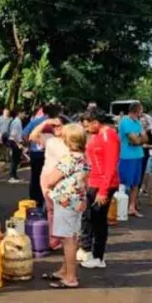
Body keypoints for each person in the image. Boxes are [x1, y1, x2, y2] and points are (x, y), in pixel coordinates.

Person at [43, 123, 89, 288]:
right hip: (77, 200)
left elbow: (51, 179)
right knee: (71, 236)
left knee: (68, 239)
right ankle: (65, 270)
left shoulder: (69, 159)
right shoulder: (83, 157)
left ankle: (70, 277)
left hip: (65, 200)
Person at [77, 111, 120, 269]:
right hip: (94, 183)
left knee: (99, 221)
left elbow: (110, 166)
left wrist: (103, 190)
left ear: (96, 122)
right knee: (90, 218)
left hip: (104, 184)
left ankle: (98, 257)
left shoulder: (109, 136)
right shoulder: (98, 135)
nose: (86, 129)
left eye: (87, 125)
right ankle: (91, 253)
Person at [31, 113, 67, 250]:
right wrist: (45, 124)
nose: (56, 128)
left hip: (63, 177)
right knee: (50, 209)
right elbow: (32, 136)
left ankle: (66, 237)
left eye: (59, 125)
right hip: (46, 176)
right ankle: (53, 238)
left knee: (63, 209)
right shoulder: (50, 139)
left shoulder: (71, 140)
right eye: (54, 126)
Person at [117, 102, 146, 218]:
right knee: (123, 182)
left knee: (135, 184)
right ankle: (119, 208)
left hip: (138, 155)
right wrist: (140, 138)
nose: (142, 112)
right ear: (136, 110)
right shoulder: (125, 122)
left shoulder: (137, 122)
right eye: (141, 110)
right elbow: (136, 140)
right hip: (126, 156)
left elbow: (145, 138)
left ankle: (131, 207)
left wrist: (140, 138)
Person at [23, 105, 52, 204]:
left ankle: (35, 200)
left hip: (36, 153)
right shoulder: (58, 123)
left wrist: (29, 145)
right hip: (51, 154)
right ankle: (47, 200)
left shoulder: (36, 122)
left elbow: (24, 134)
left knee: (35, 177)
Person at [7, 110, 24, 184]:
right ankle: (12, 176)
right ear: (19, 113)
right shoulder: (16, 122)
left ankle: (14, 175)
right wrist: (18, 143)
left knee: (16, 160)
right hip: (14, 142)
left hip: (16, 141)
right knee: (14, 159)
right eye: (23, 113)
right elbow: (14, 134)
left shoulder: (18, 121)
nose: (24, 115)